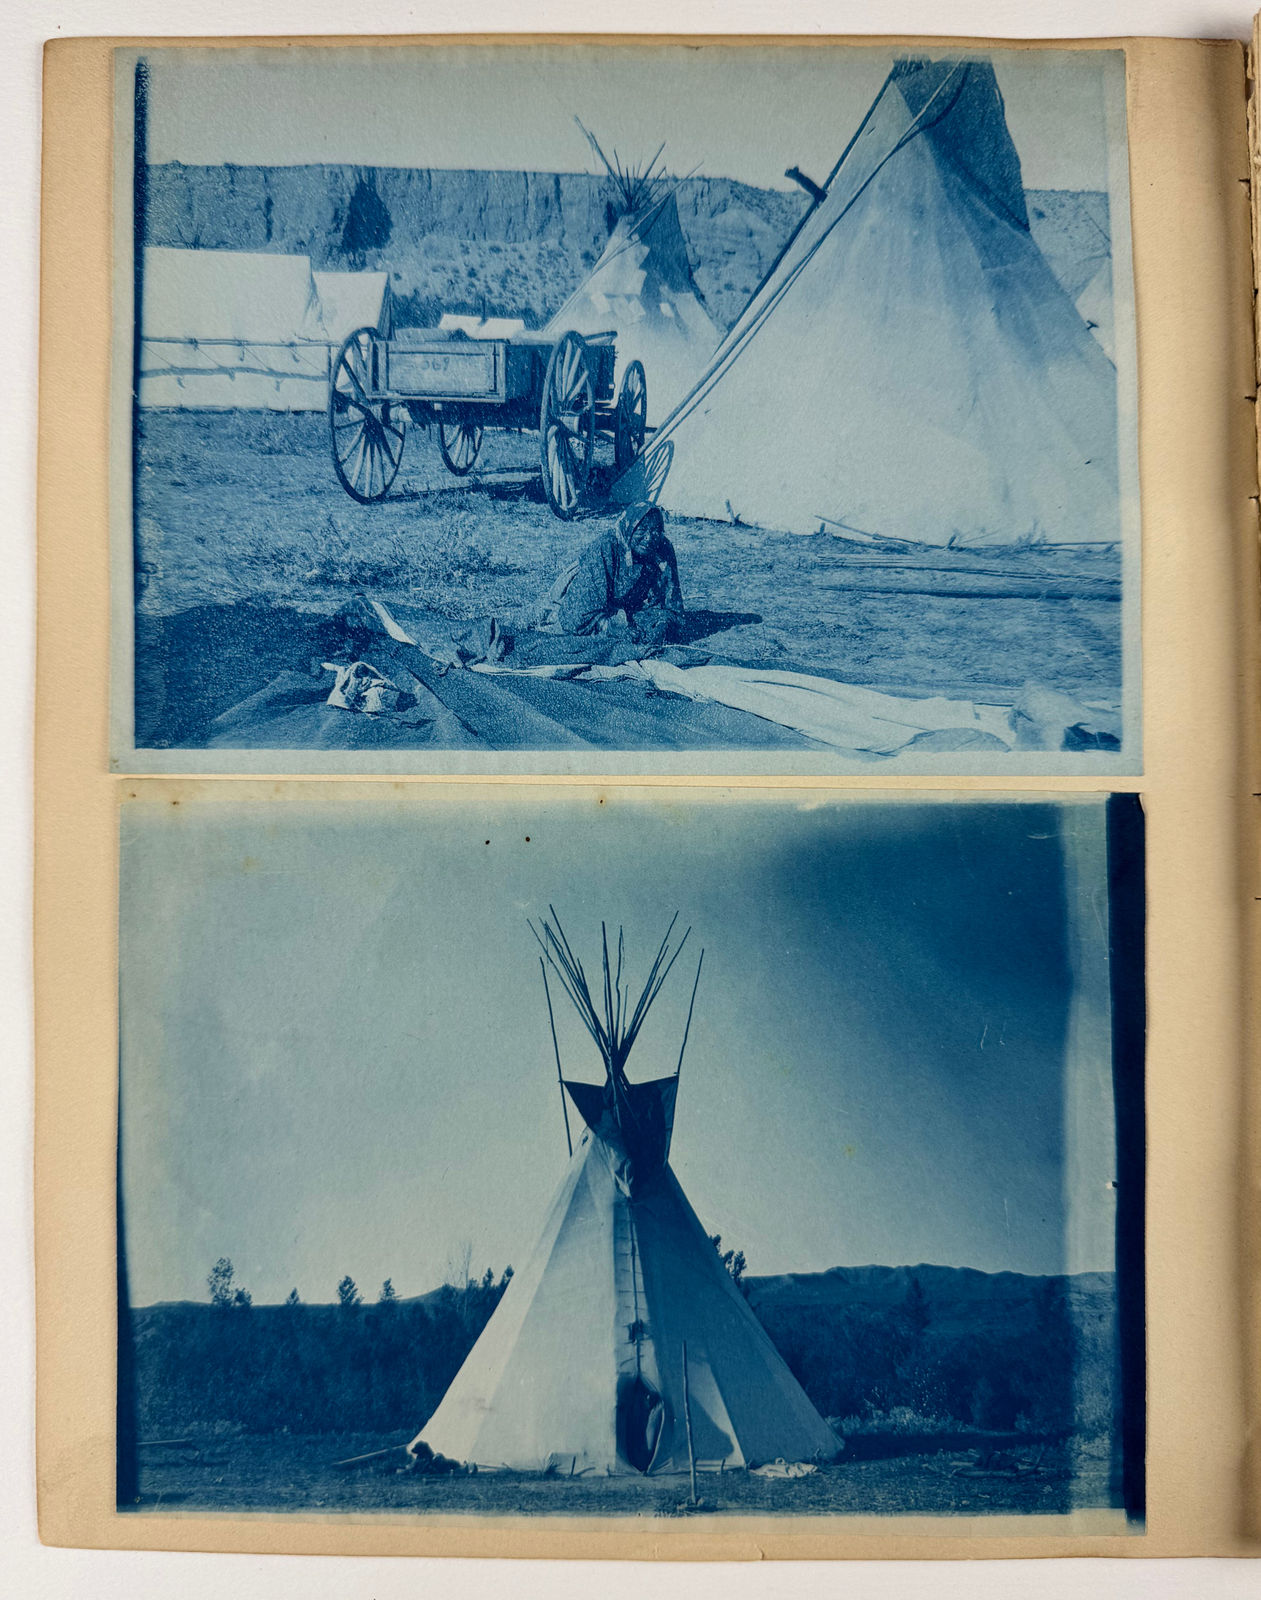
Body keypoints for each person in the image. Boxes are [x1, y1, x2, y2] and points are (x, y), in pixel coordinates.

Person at [540, 502, 685, 648]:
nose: (648, 538)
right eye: (641, 529)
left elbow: (672, 605)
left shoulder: (662, 547)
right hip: (580, 602)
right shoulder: (606, 547)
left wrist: (663, 625)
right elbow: (577, 615)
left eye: (655, 530)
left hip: (625, 607)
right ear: (629, 527)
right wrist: (613, 629)